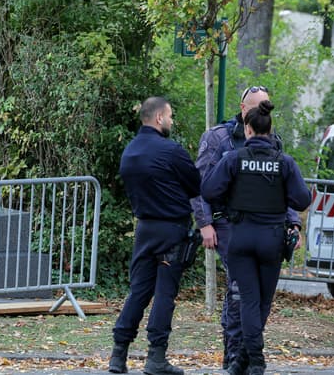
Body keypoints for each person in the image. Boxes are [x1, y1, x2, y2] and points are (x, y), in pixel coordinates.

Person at [189, 86, 302, 369]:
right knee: (241, 295)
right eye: (258, 107)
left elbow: (284, 191)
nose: (264, 111)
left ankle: (243, 359)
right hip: (229, 225)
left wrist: (293, 223)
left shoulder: (273, 142)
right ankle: (237, 357)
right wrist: (205, 223)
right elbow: (201, 185)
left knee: (257, 298)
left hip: (264, 230)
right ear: (243, 109)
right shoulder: (219, 138)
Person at [108, 97, 201, 375]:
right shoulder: (170, 151)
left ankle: (118, 355)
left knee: (138, 291)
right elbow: (195, 185)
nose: (172, 121)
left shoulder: (130, 152)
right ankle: (156, 357)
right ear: (159, 118)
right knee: (164, 293)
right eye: (170, 116)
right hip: (172, 229)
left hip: (144, 229)